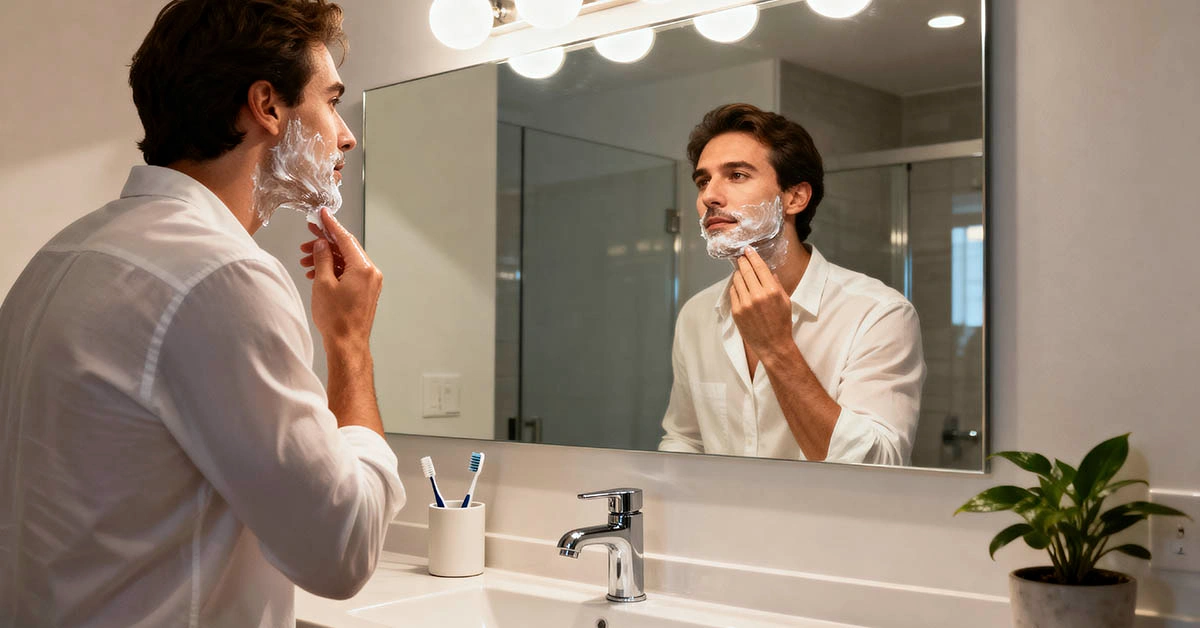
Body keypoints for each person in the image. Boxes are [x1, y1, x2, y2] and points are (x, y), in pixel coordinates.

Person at [0, 1, 405, 625]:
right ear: (267, 106)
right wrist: (349, 342)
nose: (346, 135)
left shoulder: (63, 257)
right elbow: (342, 551)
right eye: (331, 101)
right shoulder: (221, 276)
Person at [658, 103, 926, 465]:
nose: (709, 196)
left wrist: (776, 348)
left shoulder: (877, 314)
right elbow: (685, 440)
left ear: (795, 197)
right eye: (703, 181)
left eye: (736, 175)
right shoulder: (697, 315)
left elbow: (878, 465)